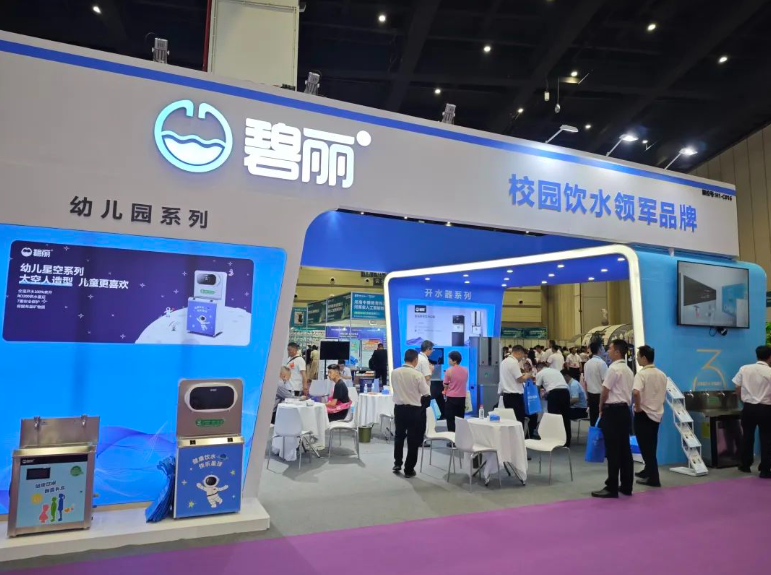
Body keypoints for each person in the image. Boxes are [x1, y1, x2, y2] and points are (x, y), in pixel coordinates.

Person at [592, 339, 635, 499]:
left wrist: (600, 407)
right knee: (625, 449)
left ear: (617, 352)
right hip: (624, 411)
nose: (607, 351)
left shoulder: (613, 368)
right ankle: (626, 485)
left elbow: (605, 391)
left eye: (609, 349)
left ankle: (612, 487)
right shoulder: (628, 370)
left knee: (613, 450)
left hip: (612, 411)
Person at [732, 345, 771, 478]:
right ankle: (765, 469)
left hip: (748, 408)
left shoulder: (744, 369)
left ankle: (745, 465)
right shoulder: (770, 372)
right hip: (766, 408)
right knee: (766, 438)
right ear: (770, 357)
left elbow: (737, 387)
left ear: (757, 355)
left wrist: (743, 400)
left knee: (747, 436)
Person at [391, 349, 431, 478]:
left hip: (399, 409)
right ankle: (409, 469)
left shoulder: (394, 372)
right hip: (414, 410)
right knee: (413, 439)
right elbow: (426, 393)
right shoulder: (418, 375)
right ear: (415, 360)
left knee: (399, 436)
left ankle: (397, 463)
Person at [632, 345, 668, 488]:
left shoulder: (641, 374)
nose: (637, 358)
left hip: (644, 414)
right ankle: (648, 471)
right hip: (657, 414)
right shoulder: (662, 374)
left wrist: (637, 407)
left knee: (646, 448)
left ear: (644, 358)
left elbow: (636, 392)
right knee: (651, 445)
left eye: (638, 356)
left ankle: (654, 478)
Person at [499, 345, 536, 435]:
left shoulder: (504, 362)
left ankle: (510, 439)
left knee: (510, 421)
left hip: (507, 395)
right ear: (519, 353)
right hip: (515, 396)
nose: (522, 358)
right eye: (523, 355)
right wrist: (528, 375)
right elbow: (520, 379)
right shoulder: (513, 362)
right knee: (518, 421)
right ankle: (518, 440)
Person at [535, 363, 571, 446]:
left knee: (553, 417)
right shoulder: (556, 371)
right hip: (565, 392)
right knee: (565, 417)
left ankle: (554, 439)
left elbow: (537, 388)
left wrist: (538, 399)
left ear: (538, 368)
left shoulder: (540, 373)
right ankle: (567, 441)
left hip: (554, 394)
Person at [584, 341, 608, 426]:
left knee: (593, 419)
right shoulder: (602, 363)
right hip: (600, 396)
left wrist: (587, 397)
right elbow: (605, 383)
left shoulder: (587, 363)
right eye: (602, 348)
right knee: (602, 419)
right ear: (599, 350)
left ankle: (593, 433)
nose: (604, 350)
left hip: (590, 395)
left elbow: (585, 382)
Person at [443, 351, 468, 432]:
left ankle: (452, 437)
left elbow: (445, 384)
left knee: (450, 419)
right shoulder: (465, 370)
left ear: (454, 361)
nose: (448, 361)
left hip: (451, 398)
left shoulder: (449, 370)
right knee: (460, 419)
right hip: (462, 398)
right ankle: (460, 436)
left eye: (449, 359)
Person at [419, 340, 443, 420]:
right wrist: (431, 370)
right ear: (428, 349)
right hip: (424, 392)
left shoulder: (418, 358)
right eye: (432, 349)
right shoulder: (424, 360)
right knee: (424, 414)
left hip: (419, 391)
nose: (432, 351)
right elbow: (427, 377)